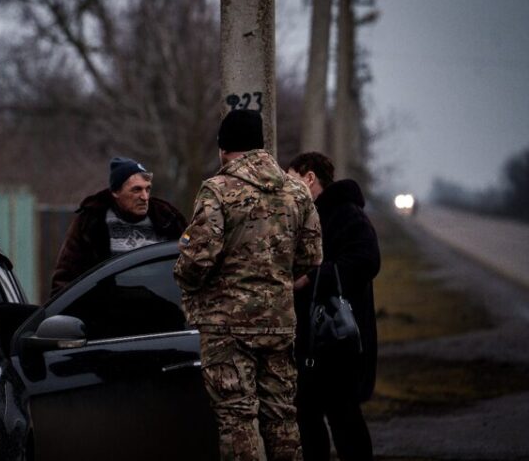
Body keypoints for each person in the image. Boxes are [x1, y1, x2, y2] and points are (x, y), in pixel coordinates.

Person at [174, 109, 322, 461]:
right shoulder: (298, 192)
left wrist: (185, 278)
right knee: (282, 415)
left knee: (237, 419)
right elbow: (310, 257)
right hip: (279, 322)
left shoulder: (217, 190)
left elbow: (198, 258)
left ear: (224, 148)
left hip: (227, 328)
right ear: (260, 145)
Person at [286, 152, 381, 461]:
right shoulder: (307, 216)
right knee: (307, 415)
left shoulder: (346, 214)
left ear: (309, 177)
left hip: (339, 336)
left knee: (343, 417)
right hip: (312, 339)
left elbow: (366, 261)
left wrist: (311, 280)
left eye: (292, 180)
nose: (287, 189)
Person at [50, 157, 187, 296]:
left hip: (164, 308)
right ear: (115, 192)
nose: (145, 197)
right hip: (108, 312)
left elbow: (191, 264)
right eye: (136, 190)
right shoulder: (92, 223)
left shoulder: (168, 220)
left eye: (148, 189)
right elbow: (65, 278)